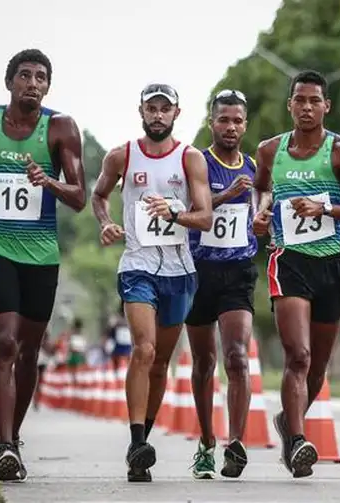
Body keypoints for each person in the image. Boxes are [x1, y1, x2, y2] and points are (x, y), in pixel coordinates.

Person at [0, 48, 87, 482]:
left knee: (28, 353)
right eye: (24, 76)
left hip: (41, 252)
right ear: (10, 83)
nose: (33, 84)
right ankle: (4, 445)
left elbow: (79, 197)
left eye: (41, 77)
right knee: (4, 342)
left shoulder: (61, 128)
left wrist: (50, 182)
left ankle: (14, 437)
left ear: (48, 86)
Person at [251, 70, 340, 478]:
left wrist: (326, 209)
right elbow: (261, 188)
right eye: (299, 100)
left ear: (326, 106)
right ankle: (299, 442)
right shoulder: (270, 151)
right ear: (289, 104)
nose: (306, 107)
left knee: (318, 366)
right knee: (298, 355)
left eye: (314, 100)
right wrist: (261, 212)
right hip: (289, 261)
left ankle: (289, 425)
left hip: (331, 264)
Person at [91, 83, 212, 483]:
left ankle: (142, 447)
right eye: (151, 108)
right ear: (140, 111)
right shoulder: (121, 155)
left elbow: (205, 217)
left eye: (165, 109)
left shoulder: (190, 158)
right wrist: (107, 223)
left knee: (160, 361)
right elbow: (99, 195)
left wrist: (175, 215)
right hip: (138, 266)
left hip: (179, 271)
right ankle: (136, 440)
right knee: (143, 349)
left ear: (177, 114)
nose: (157, 115)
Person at [185, 89, 258, 479]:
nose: (231, 127)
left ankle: (236, 444)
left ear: (245, 125)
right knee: (204, 362)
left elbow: (263, 207)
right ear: (211, 122)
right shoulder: (197, 162)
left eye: (237, 121)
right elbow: (190, 207)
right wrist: (225, 194)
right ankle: (207, 442)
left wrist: (263, 219)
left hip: (239, 271)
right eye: (224, 120)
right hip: (198, 271)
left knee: (237, 357)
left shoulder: (253, 166)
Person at [106, 301, 132, 369]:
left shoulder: (131, 316)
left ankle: (128, 372)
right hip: (118, 342)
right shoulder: (116, 318)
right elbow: (110, 329)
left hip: (128, 342)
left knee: (129, 358)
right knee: (116, 358)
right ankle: (116, 372)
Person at [33, 330, 53, 411]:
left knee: (38, 383)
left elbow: (50, 351)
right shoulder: (37, 339)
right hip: (36, 362)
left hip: (41, 363)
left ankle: (36, 400)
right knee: (37, 383)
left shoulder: (45, 342)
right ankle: (36, 399)